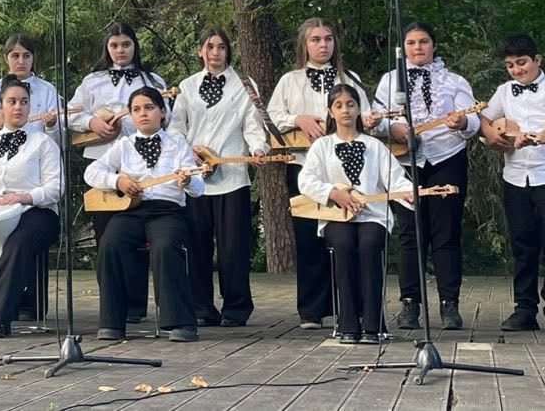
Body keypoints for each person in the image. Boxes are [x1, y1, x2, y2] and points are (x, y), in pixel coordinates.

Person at [371, 22, 477, 330]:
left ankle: (449, 304)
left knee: (446, 234)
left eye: (424, 41)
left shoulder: (455, 81)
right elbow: (377, 120)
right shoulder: (390, 81)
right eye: (411, 43)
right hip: (406, 162)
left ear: (434, 45)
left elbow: (473, 121)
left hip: (447, 158)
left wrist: (461, 123)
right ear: (403, 48)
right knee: (410, 234)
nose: (418, 47)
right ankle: (410, 304)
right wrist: (394, 129)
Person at [265, 17, 368, 330]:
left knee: (345, 234)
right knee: (308, 237)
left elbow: (364, 116)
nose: (323, 45)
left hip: (344, 168)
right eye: (316, 39)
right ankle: (311, 309)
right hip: (302, 165)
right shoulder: (290, 81)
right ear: (304, 45)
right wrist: (299, 119)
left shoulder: (350, 79)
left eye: (328, 39)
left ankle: (347, 306)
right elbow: (271, 117)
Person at [299, 84, 415, 344]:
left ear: (359, 109)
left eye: (350, 105)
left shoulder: (375, 146)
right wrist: (333, 192)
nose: (345, 110)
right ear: (330, 111)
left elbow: (396, 180)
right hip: (336, 216)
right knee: (343, 244)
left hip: (372, 215)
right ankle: (348, 323)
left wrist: (409, 194)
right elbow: (306, 181)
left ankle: (373, 325)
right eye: (339, 105)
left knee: (370, 244)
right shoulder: (322, 146)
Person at [85, 85, 202, 342]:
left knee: (166, 245)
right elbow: (91, 172)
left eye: (149, 107)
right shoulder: (123, 145)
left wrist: (187, 181)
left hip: (167, 211)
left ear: (162, 112)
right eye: (136, 109)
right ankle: (112, 322)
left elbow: (198, 188)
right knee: (110, 243)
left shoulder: (178, 144)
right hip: (131, 210)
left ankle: (180, 322)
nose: (143, 113)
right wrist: (117, 181)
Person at [168, 28, 269, 327]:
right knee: (197, 246)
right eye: (210, 46)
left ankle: (236, 308)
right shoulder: (186, 86)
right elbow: (176, 128)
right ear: (200, 51)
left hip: (233, 177)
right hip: (196, 179)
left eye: (221, 47)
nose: (216, 52)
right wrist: (189, 152)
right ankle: (201, 308)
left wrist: (258, 148)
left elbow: (253, 124)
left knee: (233, 248)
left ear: (228, 51)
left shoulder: (244, 85)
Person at [66, 22, 166, 322]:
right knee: (106, 234)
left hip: (140, 164)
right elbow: (70, 114)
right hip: (102, 163)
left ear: (135, 45)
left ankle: (135, 305)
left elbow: (166, 118)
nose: (120, 50)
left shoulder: (152, 80)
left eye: (125, 44)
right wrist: (92, 123)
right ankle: (111, 304)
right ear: (106, 48)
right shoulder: (92, 81)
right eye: (114, 45)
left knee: (137, 231)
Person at [478, 34, 545, 334]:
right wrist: (494, 136)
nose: (517, 70)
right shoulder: (503, 91)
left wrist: (533, 137)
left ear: (537, 60)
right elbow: (482, 117)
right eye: (510, 65)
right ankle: (524, 310)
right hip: (515, 177)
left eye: (521, 63)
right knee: (522, 246)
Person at [0, 75, 62, 338]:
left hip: (37, 213)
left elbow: (56, 187)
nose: (18, 107)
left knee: (18, 242)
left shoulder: (44, 143)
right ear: (1, 107)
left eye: (24, 102)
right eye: (12, 101)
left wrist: (24, 197)